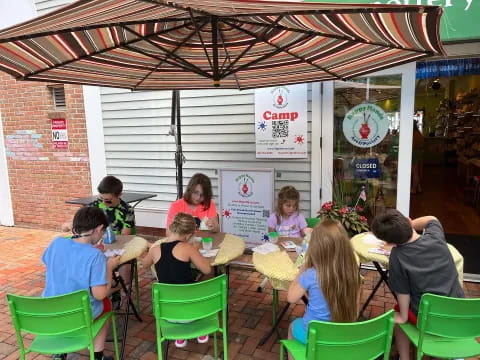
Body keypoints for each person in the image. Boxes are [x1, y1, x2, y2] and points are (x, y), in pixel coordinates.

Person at [371, 210, 464, 360]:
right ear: (408, 221)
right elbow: (432, 218)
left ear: (390, 242)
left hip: (429, 318)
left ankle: (405, 357)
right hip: (458, 313)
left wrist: (402, 316)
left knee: (399, 315)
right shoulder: (435, 237)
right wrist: (410, 224)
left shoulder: (398, 256)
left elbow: (403, 293)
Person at [42, 206, 121, 360]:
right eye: (103, 231)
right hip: (79, 315)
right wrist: (109, 267)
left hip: (50, 312)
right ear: (99, 229)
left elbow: (53, 265)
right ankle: (98, 355)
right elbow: (99, 294)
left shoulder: (56, 243)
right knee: (105, 304)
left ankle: (60, 352)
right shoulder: (95, 256)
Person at [286, 220, 361, 349]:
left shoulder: (311, 274)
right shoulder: (354, 274)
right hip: (340, 335)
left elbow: (290, 298)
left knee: (292, 327)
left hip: (313, 335)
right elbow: (355, 312)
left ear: (317, 247)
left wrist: (302, 269)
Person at [142, 213, 211, 348]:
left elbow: (144, 265)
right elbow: (207, 270)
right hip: (193, 312)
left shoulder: (155, 249)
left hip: (167, 312)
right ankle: (199, 330)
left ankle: (179, 335)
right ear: (189, 235)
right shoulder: (188, 248)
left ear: (170, 228)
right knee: (202, 282)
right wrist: (195, 250)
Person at [411, 120, 424, 194]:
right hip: (419, 153)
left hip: (414, 153)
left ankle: (414, 189)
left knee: (415, 172)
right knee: (417, 171)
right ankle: (419, 188)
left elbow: (412, 146)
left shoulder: (413, 134)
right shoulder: (418, 133)